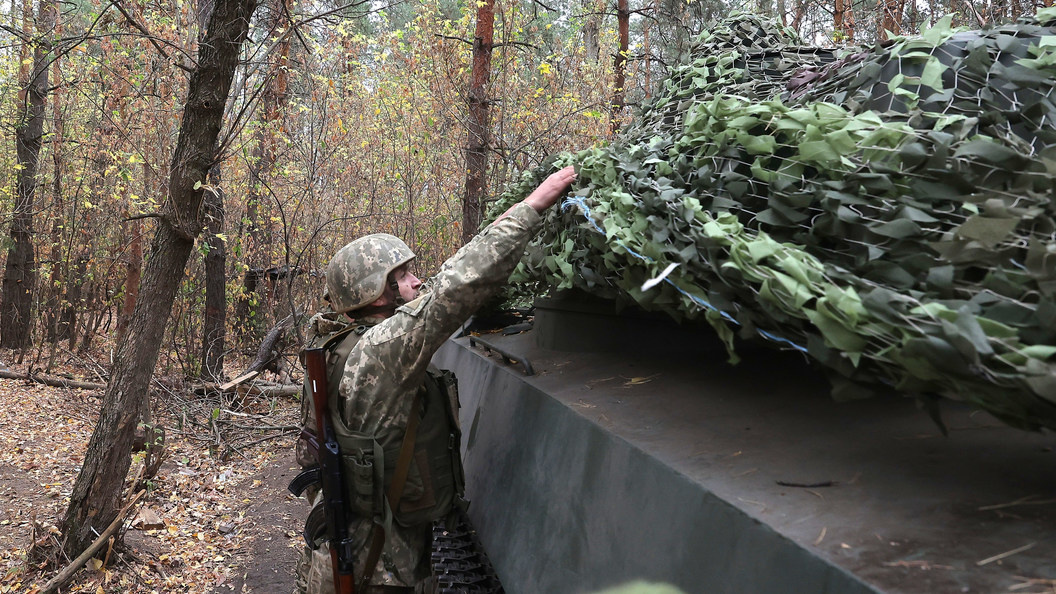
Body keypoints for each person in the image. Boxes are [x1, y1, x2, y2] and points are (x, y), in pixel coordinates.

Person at [295, 166, 577, 594]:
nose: (416, 280)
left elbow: (453, 273)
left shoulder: (340, 343)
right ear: (378, 293)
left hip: (359, 549)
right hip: (382, 570)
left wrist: (506, 221)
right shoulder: (381, 350)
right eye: (405, 276)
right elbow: (457, 286)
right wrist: (534, 205)